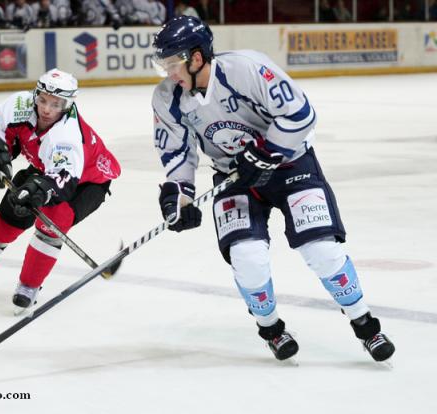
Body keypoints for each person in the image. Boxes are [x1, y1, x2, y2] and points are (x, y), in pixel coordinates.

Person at [150, 16, 395, 362]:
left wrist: (266, 152)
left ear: (197, 57)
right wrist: (179, 195)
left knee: (321, 250)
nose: (169, 72)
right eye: (164, 64)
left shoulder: (246, 69)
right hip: (235, 177)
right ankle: (272, 329)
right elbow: (177, 152)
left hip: (291, 164)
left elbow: (300, 113)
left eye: (173, 63)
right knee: (247, 259)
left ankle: (366, 324)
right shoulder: (167, 97)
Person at [0, 69, 121, 314]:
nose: (46, 109)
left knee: (53, 220)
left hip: (88, 180)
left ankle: (29, 286)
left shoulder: (68, 134)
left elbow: (63, 180)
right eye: (42, 99)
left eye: (56, 104)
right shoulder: (18, 104)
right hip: (46, 168)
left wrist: (41, 191)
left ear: (68, 104)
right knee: (9, 217)